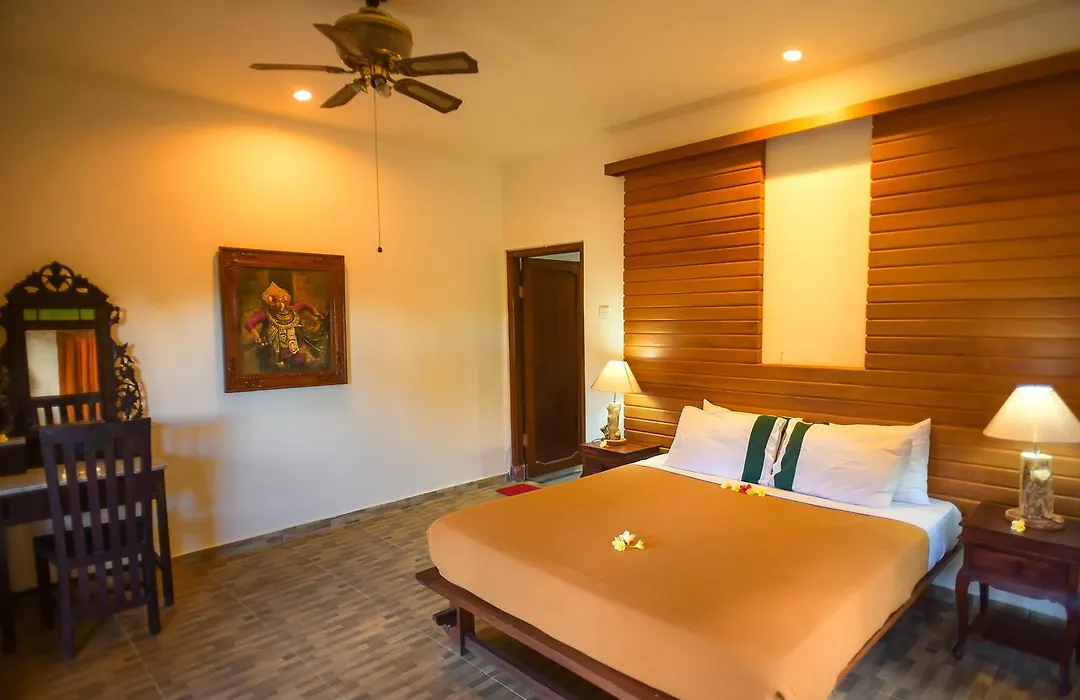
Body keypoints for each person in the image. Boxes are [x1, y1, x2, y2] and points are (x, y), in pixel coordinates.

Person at [244, 282, 328, 370]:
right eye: (278, 301)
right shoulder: (266, 314)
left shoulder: (293, 310)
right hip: (274, 351)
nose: (281, 304)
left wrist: (314, 312)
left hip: (295, 348)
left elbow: (304, 304)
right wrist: (254, 331)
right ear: (272, 302)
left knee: (300, 363)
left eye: (283, 301)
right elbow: (249, 323)